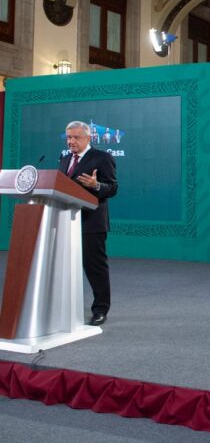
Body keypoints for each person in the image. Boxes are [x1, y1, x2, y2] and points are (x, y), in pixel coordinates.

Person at [58, 121, 118, 326]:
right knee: (64, 266)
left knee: (95, 267)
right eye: (68, 137)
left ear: (88, 138)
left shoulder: (102, 158)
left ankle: (100, 309)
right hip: (66, 219)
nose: (71, 141)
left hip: (91, 222)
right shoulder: (65, 159)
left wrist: (97, 185)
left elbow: (112, 188)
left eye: (76, 137)